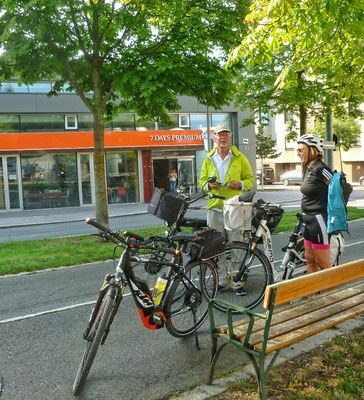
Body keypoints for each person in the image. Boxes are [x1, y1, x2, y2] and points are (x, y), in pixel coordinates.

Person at [199, 124, 254, 295]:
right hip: (214, 208)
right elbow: (201, 183)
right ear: (214, 138)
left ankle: (236, 280)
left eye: (226, 135)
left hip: (234, 208)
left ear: (230, 138)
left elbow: (250, 179)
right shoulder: (208, 158)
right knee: (217, 247)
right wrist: (208, 185)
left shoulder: (239, 157)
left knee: (236, 245)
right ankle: (222, 280)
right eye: (219, 135)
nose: (222, 138)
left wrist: (240, 184)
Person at [297, 134, 333, 275]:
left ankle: (332, 296)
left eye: (301, 150)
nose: (298, 153)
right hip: (309, 219)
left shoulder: (320, 168)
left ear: (312, 150)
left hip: (319, 220)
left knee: (323, 263)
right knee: (310, 260)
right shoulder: (310, 168)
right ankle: (311, 296)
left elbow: (337, 187)